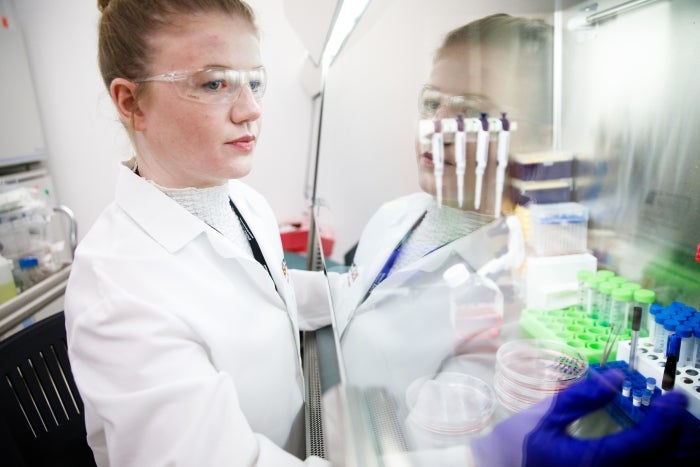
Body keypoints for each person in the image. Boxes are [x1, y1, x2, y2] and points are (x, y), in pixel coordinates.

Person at [331, 13, 697, 466]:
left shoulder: (512, 297)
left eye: (472, 112)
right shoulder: (392, 216)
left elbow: (445, 450)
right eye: (432, 103)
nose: (437, 128)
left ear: (538, 137)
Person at [64, 1, 331, 465]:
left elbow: (271, 291)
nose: (250, 111)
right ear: (131, 103)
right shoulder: (118, 294)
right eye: (214, 84)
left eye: (254, 82)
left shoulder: (244, 202)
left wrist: (373, 290)